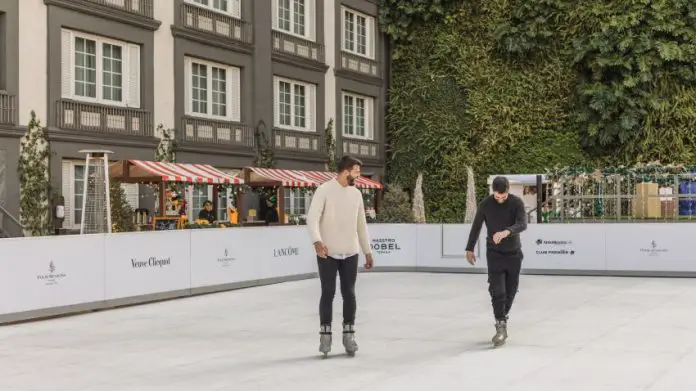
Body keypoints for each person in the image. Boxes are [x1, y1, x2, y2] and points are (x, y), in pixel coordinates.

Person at [306, 155, 374, 358]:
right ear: (346, 171)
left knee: (349, 293)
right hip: (327, 252)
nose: (358, 175)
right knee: (328, 292)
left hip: (351, 252)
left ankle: (349, 335)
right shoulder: (324, 190)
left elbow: (361, 225)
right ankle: (325, 336)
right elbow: (312, 218)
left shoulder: (356, 195)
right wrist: (317, 241)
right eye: (356, 171)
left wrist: (367, 251)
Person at [465, 176, 527, 347]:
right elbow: (476, 226)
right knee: (497, 290)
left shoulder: (516, 203)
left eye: (503, 197)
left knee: (511, 291)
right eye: (497, 197)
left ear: (508, 191)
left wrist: (506, 232)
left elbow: (522, 224)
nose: (500, 200)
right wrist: (469, 248)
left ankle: (502, 316)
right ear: (493, 192)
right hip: (494, 254)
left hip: (513, 254)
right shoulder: (486, 204)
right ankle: (500, 326)